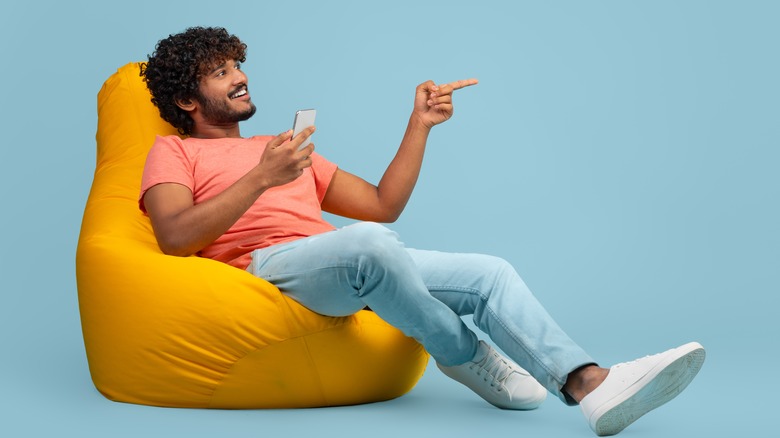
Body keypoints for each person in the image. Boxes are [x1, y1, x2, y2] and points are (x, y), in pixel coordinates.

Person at [139, 26, 705, 436]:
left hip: (341, 257)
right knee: (366, 246)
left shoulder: (280, 149)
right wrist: (262, 181)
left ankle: (590, 385)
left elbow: (383, 206)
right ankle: (463, 353)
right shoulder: (173, 151)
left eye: (237, 66)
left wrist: (419, 126)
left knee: (489, 272)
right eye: (221, 73)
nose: (239, 78)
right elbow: (174, 237)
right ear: (188, 101)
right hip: (265, 270)